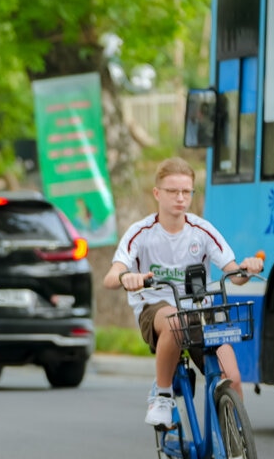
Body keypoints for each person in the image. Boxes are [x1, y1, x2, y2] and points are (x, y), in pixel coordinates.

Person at [103, 157, 264, 426]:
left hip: (200, 311)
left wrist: (247, 268)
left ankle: (237, 454)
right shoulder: (140, 233)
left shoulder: (201, 230)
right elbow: (110, 277)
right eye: (172, 191)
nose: (180, 198)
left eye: (186, 191)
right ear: (157, 193)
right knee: (175, 320)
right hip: (156, 311)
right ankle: (163, 395)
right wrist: (126, 276)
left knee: (232, 379)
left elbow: (234, 274)